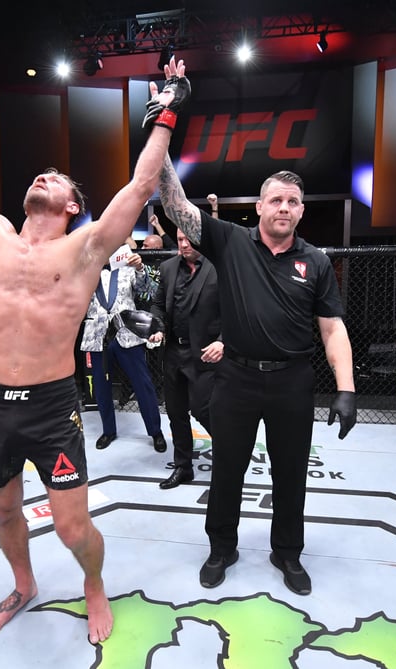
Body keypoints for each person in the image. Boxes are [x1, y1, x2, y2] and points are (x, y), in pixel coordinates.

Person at [0, 41, 189, 642]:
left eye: (55, 178)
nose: (41, 176)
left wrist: (168, 112)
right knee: (2, 510)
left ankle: (93, 584)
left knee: (73, 529)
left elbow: (140, 185)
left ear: (73, 205)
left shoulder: (84, 249)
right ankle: (24, 585)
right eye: (38, 174)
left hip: (52, 407)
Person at [158, 164, 357, 596]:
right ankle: (221, 549)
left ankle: (287, 552)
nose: (284, 208)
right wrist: (162, 137)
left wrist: (346, 388)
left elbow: (332, 328)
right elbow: (176, 206)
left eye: (292, 202)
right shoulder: (230, 241)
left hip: (293, 381)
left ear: (301, 211)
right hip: (236, 377)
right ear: (260, 206)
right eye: (276, 200)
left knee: (291, 472)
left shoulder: (316, 262)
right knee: (227, 469)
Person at [148, 228, 222, 489]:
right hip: (173, 353)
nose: (183, 244)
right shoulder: (168, 268)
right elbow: (157, 304)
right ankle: (183, 466)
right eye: (179, 239)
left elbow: (237, 310)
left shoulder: (219, 266)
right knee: (176, 412)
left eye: (188, 239)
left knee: (204, 409)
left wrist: (222, 341)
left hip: (204, 353)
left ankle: (230, 452)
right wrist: (156, 325)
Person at [79, 252, 167, 453]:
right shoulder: (85, 271)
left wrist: (140, 268)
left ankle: (155, 431)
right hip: (97, 336)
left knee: (143, 385)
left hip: (127, 334)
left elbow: (148, 290)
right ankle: (108, 430)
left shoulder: (128, 267)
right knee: (101, 387)